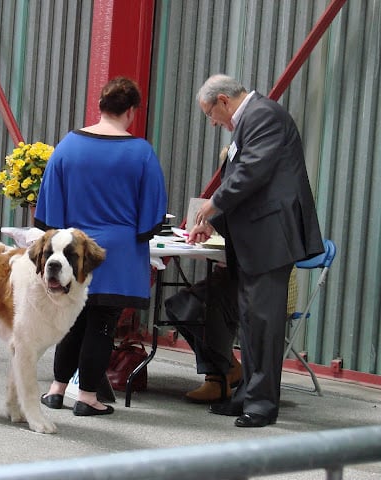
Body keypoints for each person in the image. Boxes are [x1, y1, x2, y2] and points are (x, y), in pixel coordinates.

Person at [187, 74, 323, 427]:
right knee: (250, 323)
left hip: (271, 238)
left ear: (222, 100)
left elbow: (251, 172)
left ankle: (262, 405)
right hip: (256, 238)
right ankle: (247, 394)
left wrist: (212, 206)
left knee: (263, 323)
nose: (214, 123)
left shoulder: (263, 115)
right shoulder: (250, 120)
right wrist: (214, 224)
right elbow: (245, 180)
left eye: (210, 115)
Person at [35, 76, 168, 416]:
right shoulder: (141, 152)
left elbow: (48, 209)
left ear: (100, 106)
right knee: (103, 324)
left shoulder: (68, 146)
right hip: (117, 253)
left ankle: (56, 390)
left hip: (73, 251)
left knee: (74, 320)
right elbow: (153, 214)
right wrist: (136, 233)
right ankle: (88, 397)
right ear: (131, 112)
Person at [164, 264, 242, 403]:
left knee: (199, 306)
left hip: (258, 279)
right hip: (228, 274)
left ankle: (218, 379)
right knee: (177, 305)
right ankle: (229, 366)